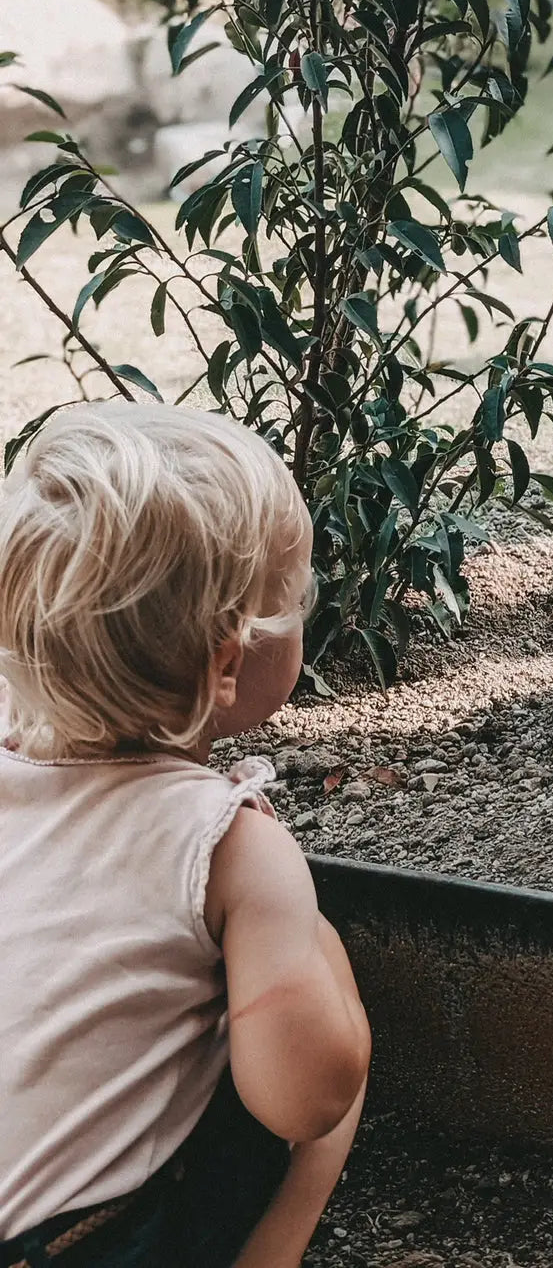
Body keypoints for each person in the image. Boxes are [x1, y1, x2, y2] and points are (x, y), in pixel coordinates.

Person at [0, 403, 371, 1267]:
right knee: (318, 978)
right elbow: (301, 1098)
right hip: (84, 1247)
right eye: (299, 594)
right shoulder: (233, 847)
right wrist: (310, 959)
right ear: (229, 659)